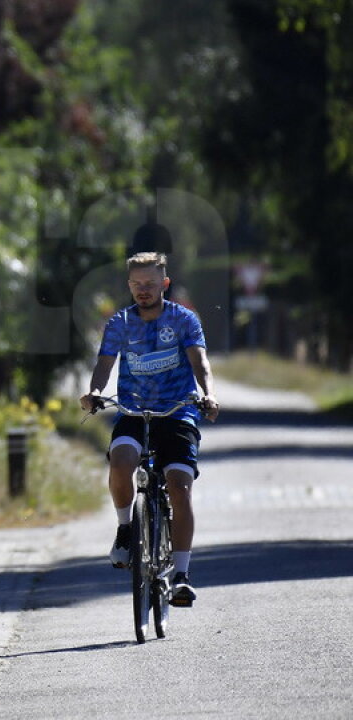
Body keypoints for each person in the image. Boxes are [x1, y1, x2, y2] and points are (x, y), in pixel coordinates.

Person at [79, 252, 220, 606]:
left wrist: (209, 394)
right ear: (129, 286)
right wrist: (95, 392)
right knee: (121, 461)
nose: (143, 291)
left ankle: (182, 575)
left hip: (177, 413)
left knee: (179, 486)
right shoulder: (119, 323)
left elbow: (199, 361)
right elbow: (104, 363)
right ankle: (126, 529)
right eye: (137, 284)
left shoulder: (185, 320)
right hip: (134, 410)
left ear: (164, 285)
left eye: (150, 284)